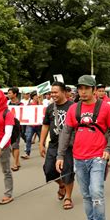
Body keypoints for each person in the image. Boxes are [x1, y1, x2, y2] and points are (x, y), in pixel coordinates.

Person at [56, 75, 110, 220]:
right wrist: (60, 155)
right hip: (78, 157)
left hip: (98, 156)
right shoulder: (73, 109)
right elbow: (66, 133)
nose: (82, 92)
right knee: (85, 194)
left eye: (86, 88)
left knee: (96, 191)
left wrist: (108, 149)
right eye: (80, 88)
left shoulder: (104, 108)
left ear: (93, 90)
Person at [39, 82, 75, 210]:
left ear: (64, 92)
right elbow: (45, 125)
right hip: (53, 145)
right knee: (49, 171)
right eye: (51, 92)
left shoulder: (73, 107)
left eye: (55, 92)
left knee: (67, 171)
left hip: (68, 146)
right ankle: (61, 185)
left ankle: (68, 197)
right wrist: (41, 143)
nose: (53, 95)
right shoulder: (50, 108)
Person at [7, 87, 23, 171]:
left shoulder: (21, 105)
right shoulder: (7, 104)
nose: (8, 95)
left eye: (10, 93)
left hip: (17, 127)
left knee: (15, 145)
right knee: (12, 145)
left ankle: (15, 163)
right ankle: (17, 161)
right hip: (9, 127)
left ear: (15, 94)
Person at [21, 91, 41, 159]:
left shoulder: (40, 104)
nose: (36, 97)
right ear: (32, 97)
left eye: (37, 96)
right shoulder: (29, 105)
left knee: (42, 139)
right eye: (35, 96)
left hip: (39, 124)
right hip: (30, 124)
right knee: (28, 138)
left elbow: (42, 110)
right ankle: (27, 153)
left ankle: (44, 150)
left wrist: (40, 101)